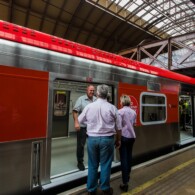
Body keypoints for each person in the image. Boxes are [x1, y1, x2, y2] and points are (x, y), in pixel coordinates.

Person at [78, 84, 121, 195]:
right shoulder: (112, 108)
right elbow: (119, 127)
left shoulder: (89, 107)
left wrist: (90, 123)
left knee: (92, 165)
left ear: (97, 94)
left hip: (92, 139)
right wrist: (118, 140)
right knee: (105, 164)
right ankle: (105, 188)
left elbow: (80, 120)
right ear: (107, 95)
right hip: (107, 139)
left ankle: (91, 190)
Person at [72, 84, 96, 171]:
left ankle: (93, 160)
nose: (92, 92)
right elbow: (75, 111)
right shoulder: (81, 99)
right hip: (82, 127)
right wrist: (76, 122)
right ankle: (80, 162)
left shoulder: (96, 100)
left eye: (93, 90)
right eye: (90, 90)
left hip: (93, 127)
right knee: (81, 145)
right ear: (87, 91)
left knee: (93, 144)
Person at [118, 95, 136, 192]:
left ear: (122, 102)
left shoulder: (120, 112)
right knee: (129, 157)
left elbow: (119, 127)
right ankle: (127, 175)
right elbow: (134, 124)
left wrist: (118, 139)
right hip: (132, 137)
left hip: (124, 137)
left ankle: (125, 183)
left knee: (123, 159)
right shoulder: (133, 112)